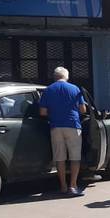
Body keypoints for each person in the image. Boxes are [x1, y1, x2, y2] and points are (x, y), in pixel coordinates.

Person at [39, 67, 87, 196]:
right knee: (75, 157)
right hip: (73, 125)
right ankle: (73, 186)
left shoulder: (48, 90)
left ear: (54, 77)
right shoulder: (75, 89)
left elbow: (42, 112)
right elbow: (83, 110)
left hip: (55, 126)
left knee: (59, 158)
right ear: (67, 76)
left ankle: (63, 186)